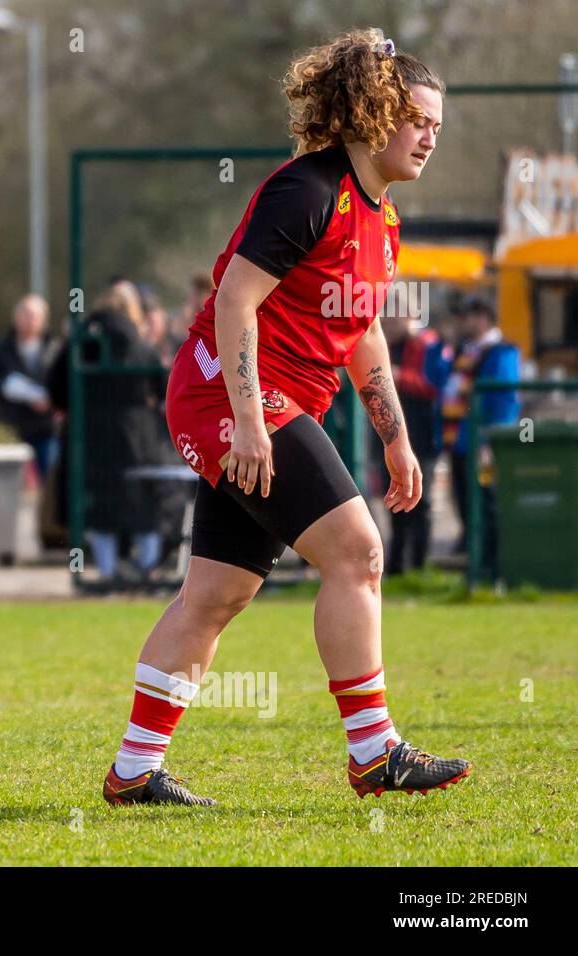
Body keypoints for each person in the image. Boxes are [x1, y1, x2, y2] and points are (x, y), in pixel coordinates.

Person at [102, 30, 471, 806]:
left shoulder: (386, 222)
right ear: (373, 116)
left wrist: (396, 438)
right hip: (226, 396)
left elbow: (363, 330)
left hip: (273, 405)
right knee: (360, 551)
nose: (431, 135)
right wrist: (247, 420)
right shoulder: (309, 190)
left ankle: (134, 772)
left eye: (438, 123)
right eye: (417, 120)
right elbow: (236, 300)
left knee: (215, 595)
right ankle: (374, 752)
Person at [48, 283, 165, 585]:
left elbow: (55, 388)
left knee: (99, 506)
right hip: (138, 437)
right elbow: (163, 389)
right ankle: (149, 571)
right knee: (144, 503)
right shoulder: (143, 348)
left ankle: (108, 572)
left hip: (89, 436)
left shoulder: (80, 342)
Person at [443, 297, 521, 577]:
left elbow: (504, 400)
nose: (461, 322)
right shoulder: (466, 350)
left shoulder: (502, 352)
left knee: (487, 506)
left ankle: (493, 571)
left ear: (484, 316)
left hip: (483, 445)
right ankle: (477, 569)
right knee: (467, 507)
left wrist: (489, 441)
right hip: (460, 443)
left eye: (467, 316)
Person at [373, 304, 446, 573]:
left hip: (422, 436)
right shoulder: (391, 344)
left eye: (395, 315)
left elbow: (434, 386)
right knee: (395, 499)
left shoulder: (428, 345)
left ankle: (419, 565)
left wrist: (398, 377)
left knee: (420, 499)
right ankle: (397, 567)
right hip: (391, 437)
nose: (389, 321)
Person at [0, 294, 60, 478]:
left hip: (45, 429)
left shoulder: (55, 350)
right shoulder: (0, 350)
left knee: (52, 482)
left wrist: (50, 400)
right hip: (10, 429)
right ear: (16, 318)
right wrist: (5, 387)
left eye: (35, 316)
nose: (30, 321)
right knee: (6, 483)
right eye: (26, 315)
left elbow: (64, 385)